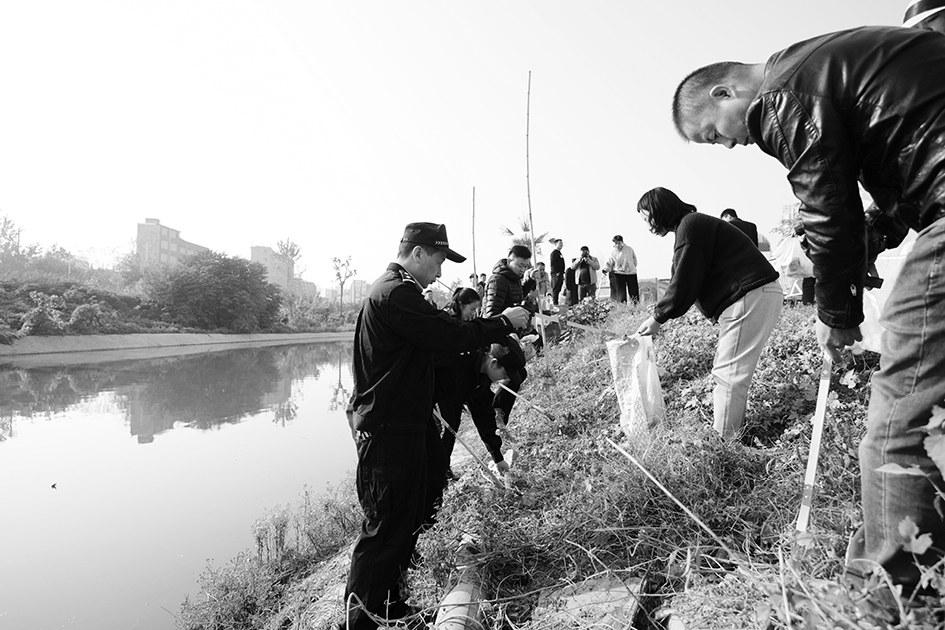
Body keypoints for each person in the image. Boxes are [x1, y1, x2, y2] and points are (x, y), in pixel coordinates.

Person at [671, 25, 945, 593]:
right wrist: (873, 235)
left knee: (899, 425)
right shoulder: (819, 68)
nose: (727, 145)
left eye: (713, 135)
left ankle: (891, 603)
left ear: (725, 92)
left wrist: (836, 313)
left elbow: (826, 207)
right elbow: (899, 180)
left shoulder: (782, 97)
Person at [342, 222, 529, 630]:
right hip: (387, 428)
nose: (441, 272)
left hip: (405, 424)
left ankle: (389, 606)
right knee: (384, 526)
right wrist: (502, 323)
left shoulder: (401, 292)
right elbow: (448, 334)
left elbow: (445, 345)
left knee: (406, 517)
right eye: (439, 260)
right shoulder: (395, 293)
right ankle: (360, 620)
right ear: (419, 253)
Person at [636, 188, 782, 439]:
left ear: (659, 210)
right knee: (733, 372)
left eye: (646, 216)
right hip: (755, 295)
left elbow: (683, 282)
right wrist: (662, 314)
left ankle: (724, 443)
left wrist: (657, 317)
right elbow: (683, 279)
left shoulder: (690, 226)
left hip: (749, 296)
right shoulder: (691, 226)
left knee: (728, 374)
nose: (647, 224)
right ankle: (730, 435)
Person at [434, 288, 512, 481]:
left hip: (469, 382)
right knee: (450, 427)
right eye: (472, 309)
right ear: (460, 305)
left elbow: (484, 416)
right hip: (446, 387)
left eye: (477, 309)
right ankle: (440, 471)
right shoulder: (446, 325)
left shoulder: (473, 329)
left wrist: (497, 457)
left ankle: (444, 469)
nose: (474, 314)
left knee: (480, 414)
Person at [483, 245, 533, 428]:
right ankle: (496, 416)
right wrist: (509, 325)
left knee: (520, 373)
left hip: (508, 333)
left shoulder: (515, 280)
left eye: (525, 266)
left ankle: (498, 416)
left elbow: (515, 301)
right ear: (509, 259)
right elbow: (490, 314)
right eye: (519, 265)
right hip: (495, 335)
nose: (522, 269)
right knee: (514, 375)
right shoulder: (497, 280)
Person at [602, 235, 640, 303]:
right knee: (621, 293)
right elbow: (610, 262)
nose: (617, 245)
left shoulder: (629, 249)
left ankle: (635, 306)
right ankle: (622, 306)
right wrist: (605, 269)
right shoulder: (613, 252)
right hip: (619, 273)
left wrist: (631, 267)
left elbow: (635, 260)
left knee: (634, 292)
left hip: (631, 273)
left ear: (622, 242)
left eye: (618, 243)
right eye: (616, 243)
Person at [549, 238, 565, 306]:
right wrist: (556, 272)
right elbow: (553, 264)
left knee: (559, 288)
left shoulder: (559, 253)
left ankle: (556, 302)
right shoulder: (554, 253)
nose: (561, 245)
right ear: (556, 244)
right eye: (560, 243)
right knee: (555, 288)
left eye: (562, 243)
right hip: (556, 274)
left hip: (560, 273)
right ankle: (555, 303)